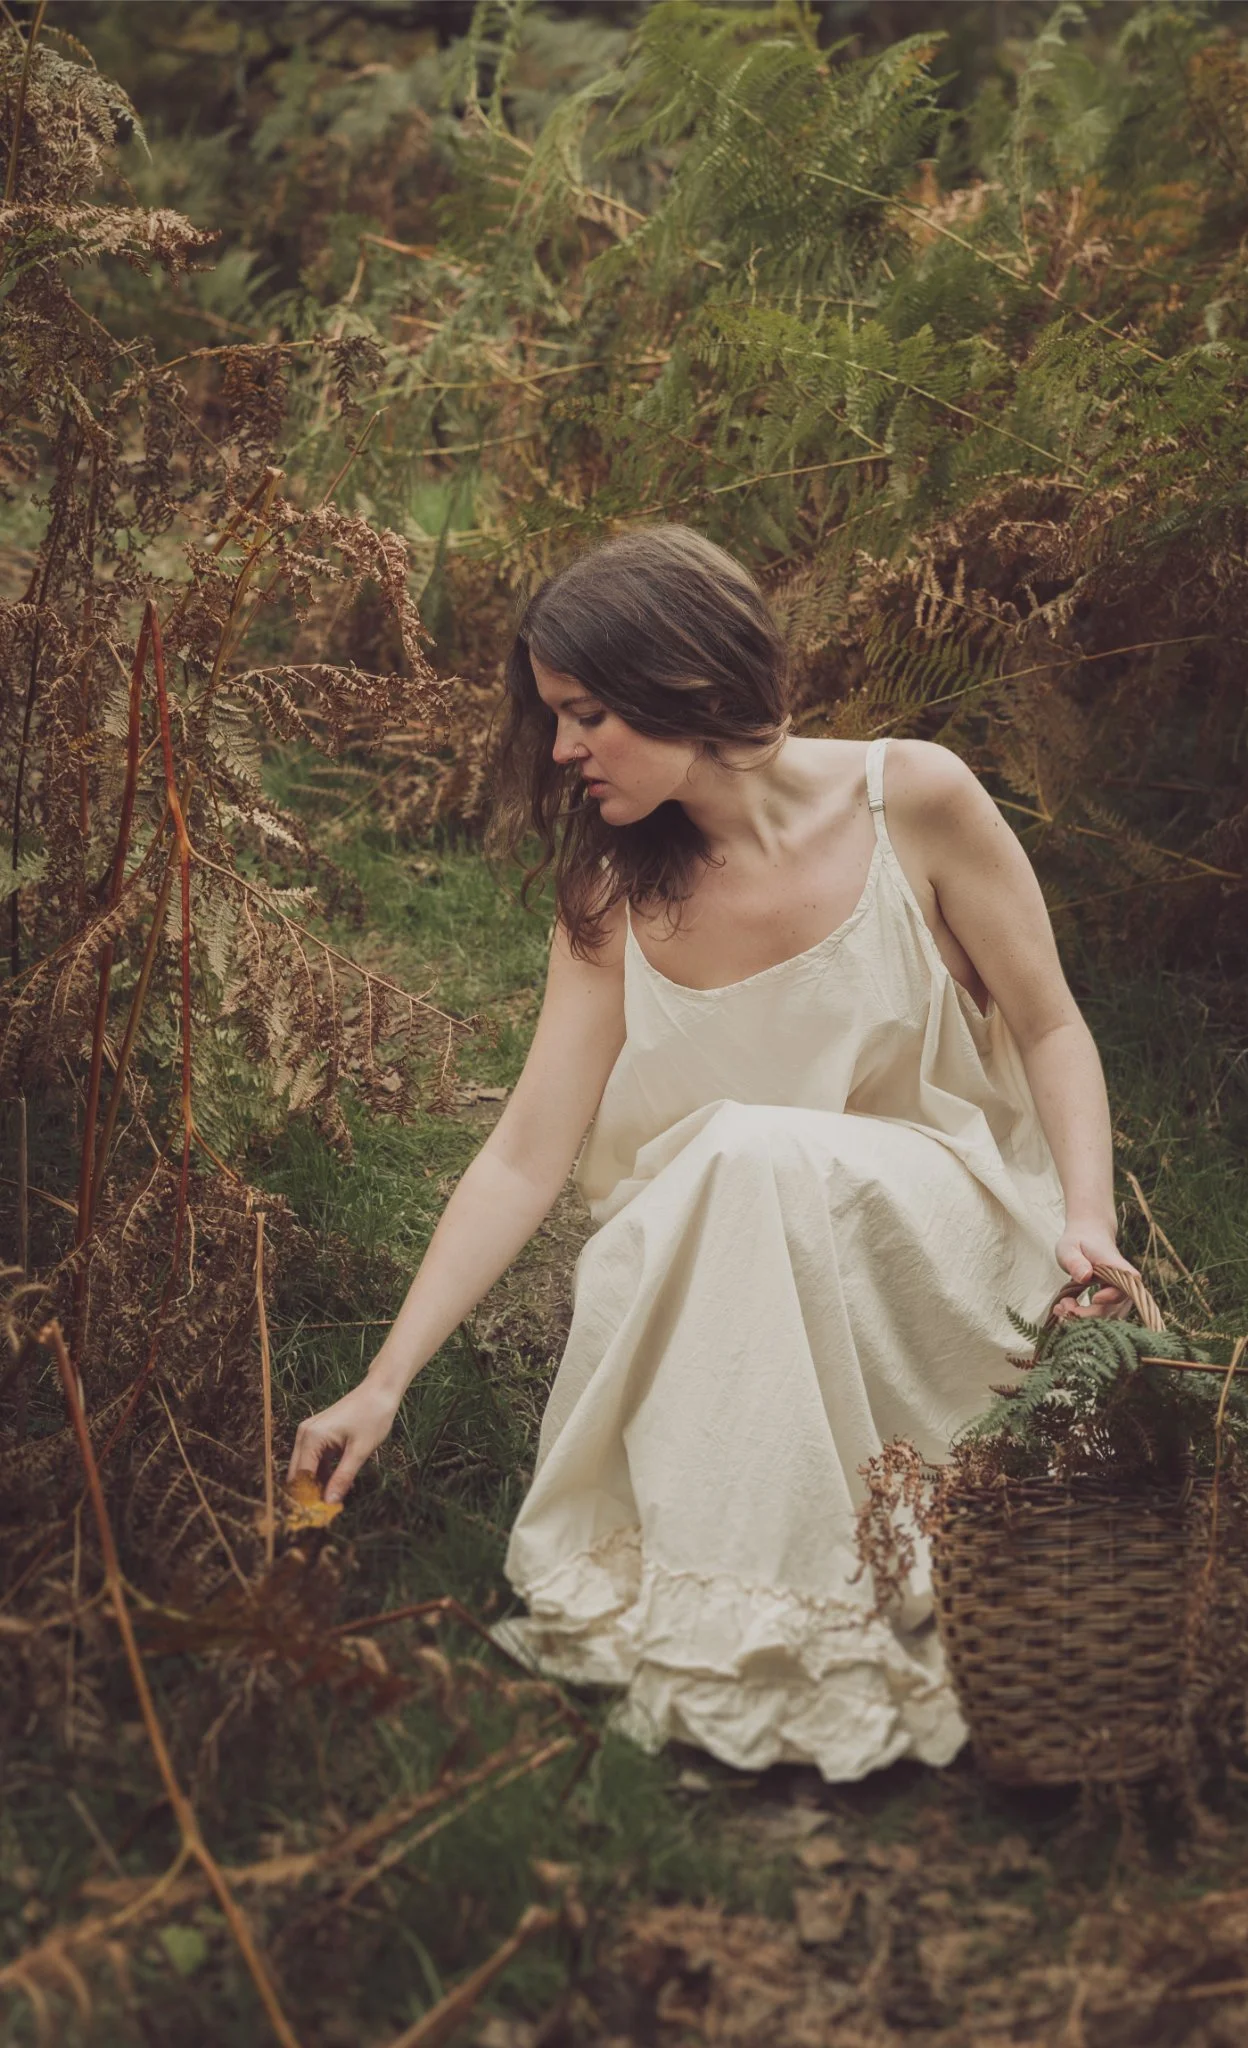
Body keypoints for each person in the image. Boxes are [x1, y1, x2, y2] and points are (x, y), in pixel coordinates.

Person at [290, 524, 1136, 1783]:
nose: (565, 751)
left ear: (684, 681)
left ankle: (798, 1616)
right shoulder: (613, 898)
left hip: (932, 1245)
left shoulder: (918, 799)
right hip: (710, 1278)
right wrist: (386, 1379)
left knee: (747, 1150)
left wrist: (1086, 1217)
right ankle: (758, 1625)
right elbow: (526, 1152)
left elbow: (1052, 1024)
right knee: (735, 1166)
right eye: (554, 719)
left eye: (586, 714)